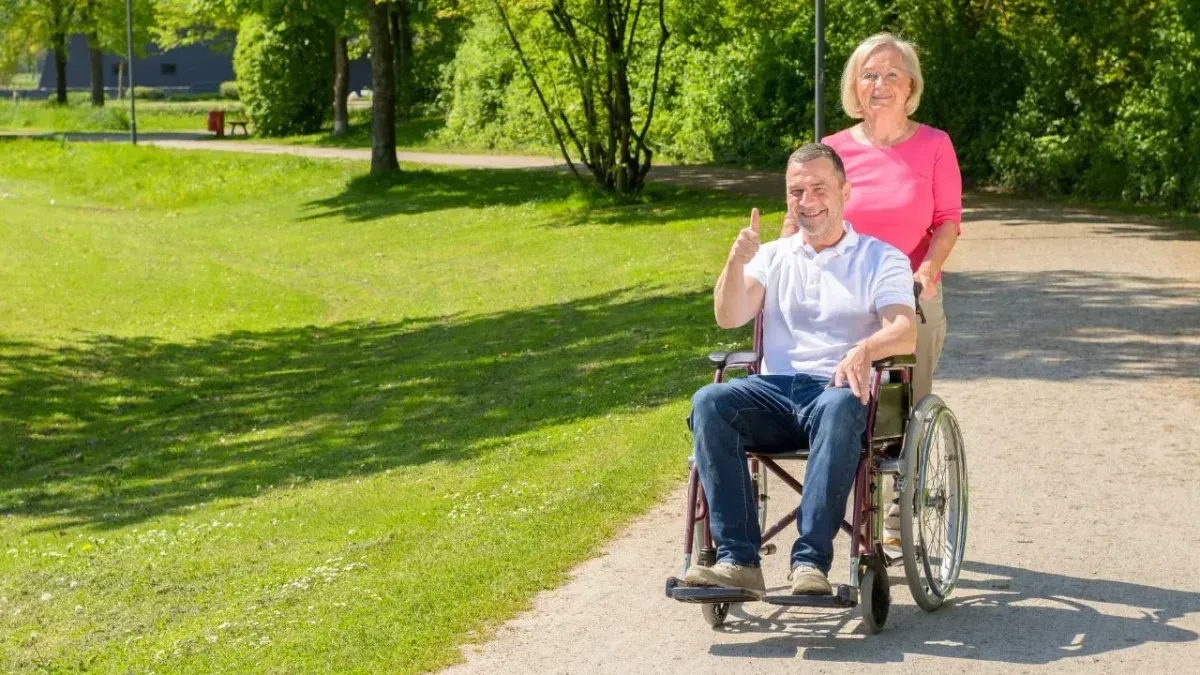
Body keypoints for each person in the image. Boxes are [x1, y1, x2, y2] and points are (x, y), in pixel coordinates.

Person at [683, 143, 917, 597]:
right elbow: (729, 315)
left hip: (838, 393)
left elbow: (904, 331)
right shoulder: (773, 254)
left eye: (819, 188)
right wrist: (735, 261)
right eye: (796, 191)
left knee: (839, 403)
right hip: (774, 393)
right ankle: (737, 561)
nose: (807, 200)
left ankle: (810, 562)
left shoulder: (880, 257)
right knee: (709, 401)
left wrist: (864, 349)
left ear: (845, 192)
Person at [783, 32, 961, 404]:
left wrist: (926, 273)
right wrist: (779, 268)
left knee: (903, 407)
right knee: (834, 397)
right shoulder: (832, 149)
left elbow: (947, 220)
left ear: (910, 84)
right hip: (841, 287)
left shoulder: (935, 144)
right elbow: (799, 216)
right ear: (854, 86)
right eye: (869, 75)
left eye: (892, 75)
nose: (880, 85)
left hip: (910, 289)